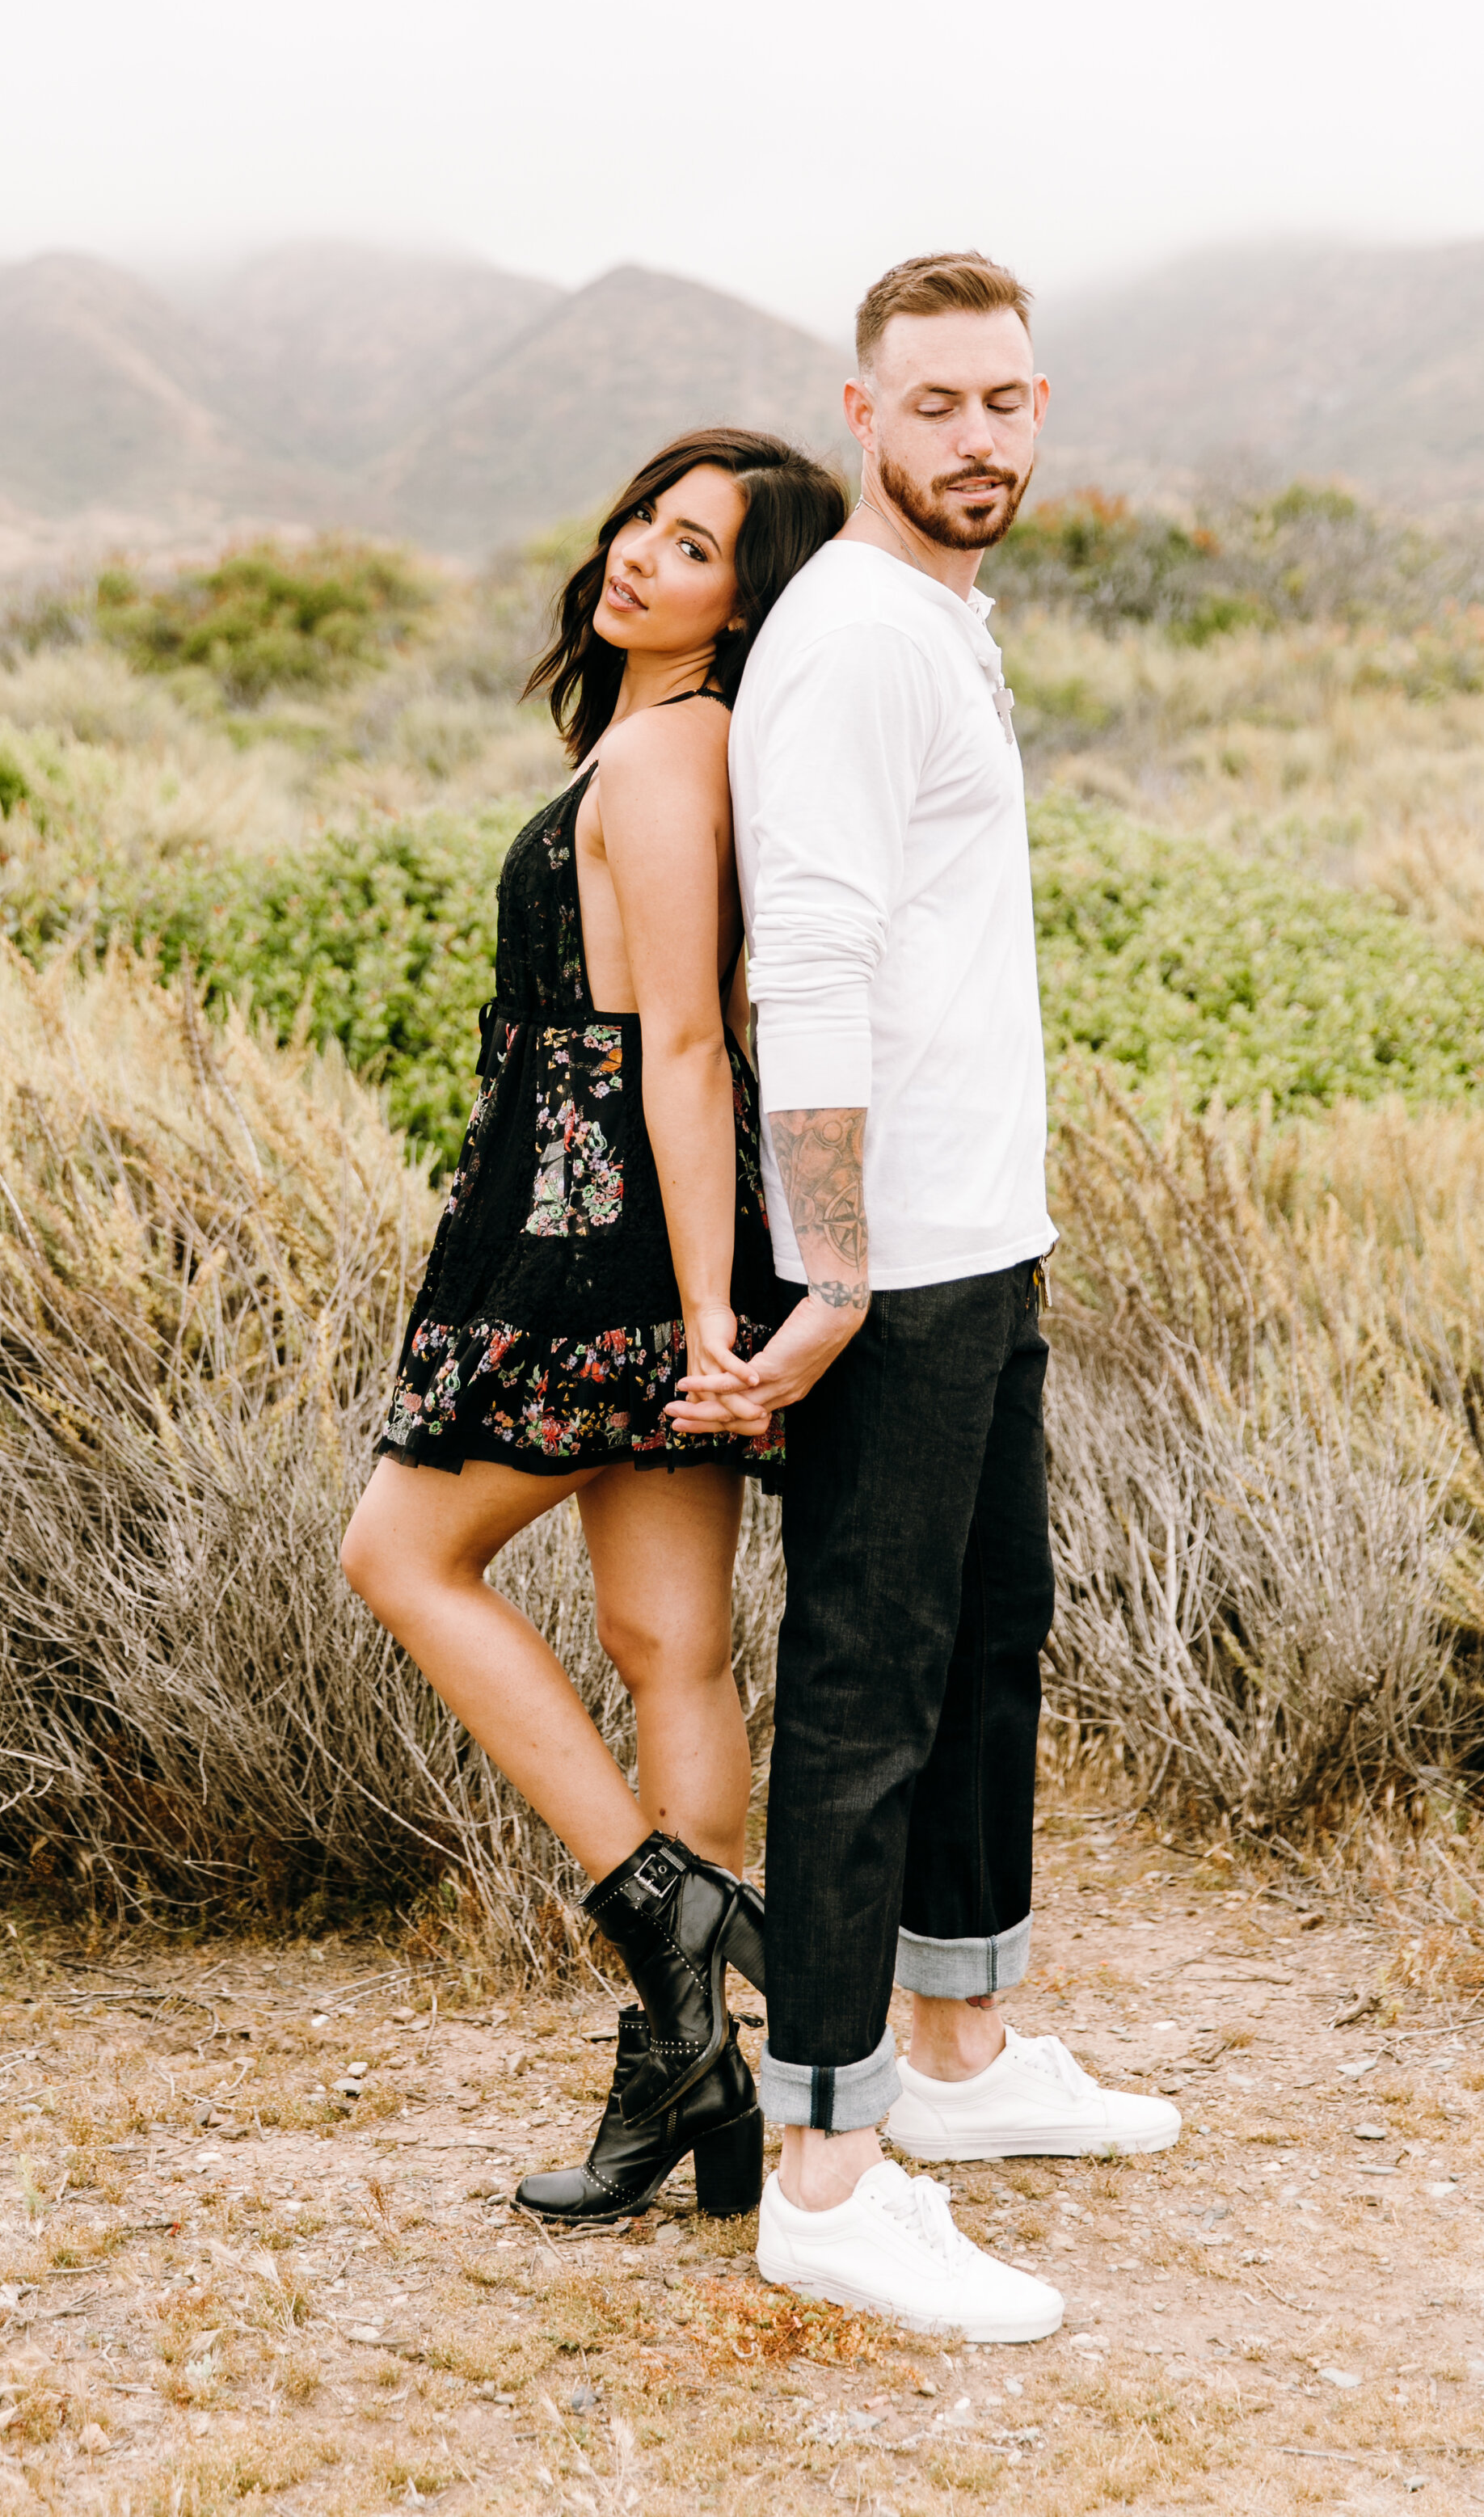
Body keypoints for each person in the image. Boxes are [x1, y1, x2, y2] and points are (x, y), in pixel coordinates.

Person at [673, 254, 1179, 2343]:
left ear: (1039, 407)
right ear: (860, 418)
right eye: (935, 403)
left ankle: (957, 2062)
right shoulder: (852, 641)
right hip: (887, 1261)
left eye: (1007, 399)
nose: (978, 438)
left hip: (984, 1229)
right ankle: (824, 2166)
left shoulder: (942, 621)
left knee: (990, 1634)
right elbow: (806, 960)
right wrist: (835, 1266)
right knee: (865, 1692)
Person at [341, 426, 847, 2225]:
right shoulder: (683, 743)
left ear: (745, 598)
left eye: (694, 545)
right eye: (644, 517)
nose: (639, 553)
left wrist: (706, 1306)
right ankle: (692, 2093)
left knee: (397, 1558)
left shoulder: (657, 745)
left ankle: (667, 1899)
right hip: (637, 1216)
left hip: (594, 1228)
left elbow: (682, 1038)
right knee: (667, 1647)